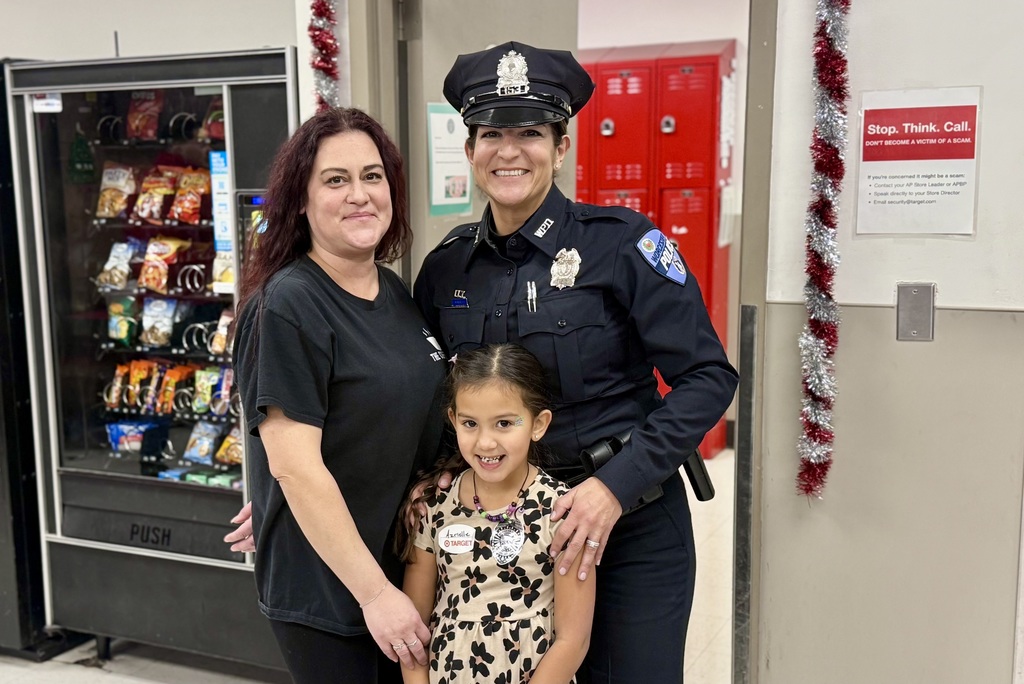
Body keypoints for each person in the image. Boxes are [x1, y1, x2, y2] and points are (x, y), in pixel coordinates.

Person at [410, 42, 740, 683]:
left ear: (561, 147)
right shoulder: (446, 266)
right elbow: (421, 392)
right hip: (499, 531)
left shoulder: (623, 245)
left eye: (529, 133)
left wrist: (614, 488)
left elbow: (708, 378)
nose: (510, 151)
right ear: (470, 149)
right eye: (491, 135)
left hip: (628, 523)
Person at [232, 107, 448, 683]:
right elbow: (297, 467)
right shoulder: (289, 305)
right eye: (336, 180)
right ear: (300, 202)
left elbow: (383, 424)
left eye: (372, 176)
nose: (360, 194)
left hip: (395, 561)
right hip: (332, 586)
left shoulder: (395, 293)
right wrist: (376, 595)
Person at [398, 343, 594, 684]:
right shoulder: (433, 507)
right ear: (452, 420)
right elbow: (412, 631)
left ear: (538, 423)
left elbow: (573, 639)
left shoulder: (564, 511)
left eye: (504, 423)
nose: (485, 442)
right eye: (470, 423)